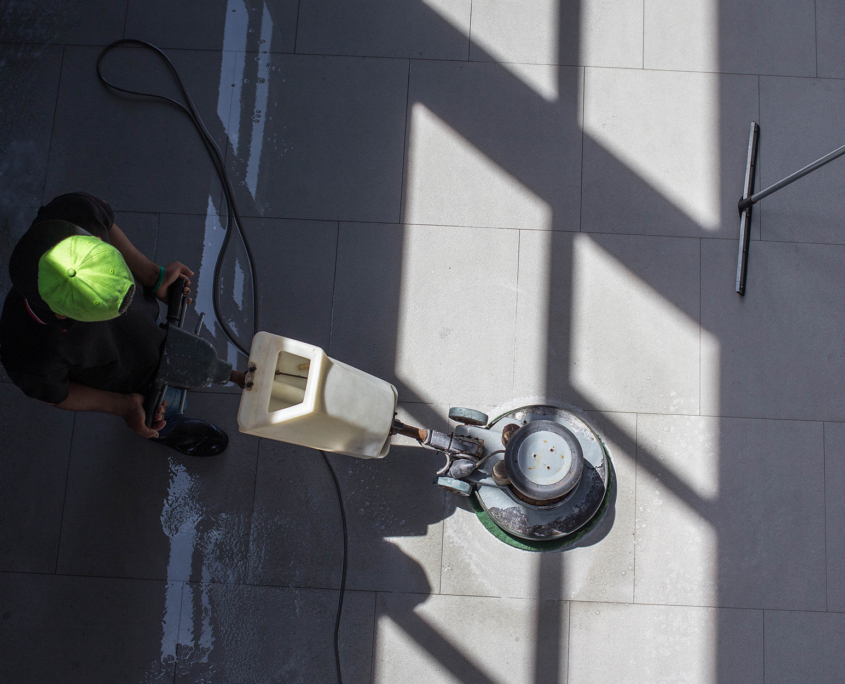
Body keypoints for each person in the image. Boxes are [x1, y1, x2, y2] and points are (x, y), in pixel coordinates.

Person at [0, 192, 241, 457]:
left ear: (93, 239)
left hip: (144, 330)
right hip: (124, 375)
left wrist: (153, 276)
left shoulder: (73, 211)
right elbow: (58, 395)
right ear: (61, 315)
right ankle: (169, 429)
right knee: (160, 412)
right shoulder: (27, 350)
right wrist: (125, 407)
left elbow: (104, 220)